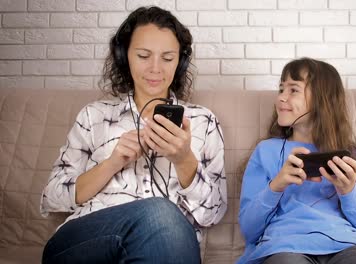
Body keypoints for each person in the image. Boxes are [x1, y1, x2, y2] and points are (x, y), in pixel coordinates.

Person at [40, 6, 227, 264]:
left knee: (164, 218)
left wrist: (184, 160)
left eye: (168, 58)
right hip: (86, 240)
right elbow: (53, 197)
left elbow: (213, 213)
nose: (155, 68)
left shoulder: (203, 121)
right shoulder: (93, 115)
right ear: (123, 56)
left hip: (169, 245)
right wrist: (112, 164)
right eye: (143, 55)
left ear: (180, 63)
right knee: (160, 212)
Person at [237, 58, 356, 264]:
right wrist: (277, 185)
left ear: (321, 99)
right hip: (285, 247)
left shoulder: (351, 159)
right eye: (281, 89)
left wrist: (348, 192)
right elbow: (249, 230)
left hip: (347, 246)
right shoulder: (266, 151)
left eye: (293, 90)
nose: (281, 97)